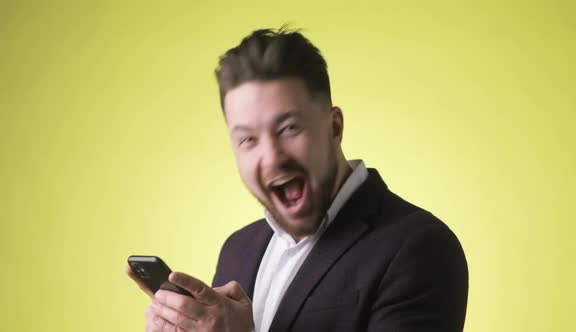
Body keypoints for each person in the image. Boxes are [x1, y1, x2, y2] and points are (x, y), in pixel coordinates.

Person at [126, 26, 468, 332]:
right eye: (248, 139)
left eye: (289, 128)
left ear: (334, 127)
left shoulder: (419, 248)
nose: (272, 156)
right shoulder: (237, 250)